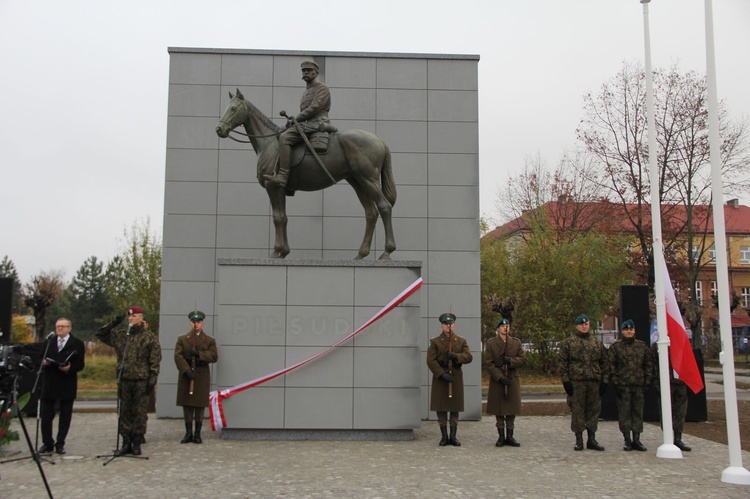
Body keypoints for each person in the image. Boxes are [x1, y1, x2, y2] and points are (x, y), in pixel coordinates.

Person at [97, 306, 160, 456]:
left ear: (141, 318)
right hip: (124, 379)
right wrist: (113, 323)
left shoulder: (149, 337)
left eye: (134, 316)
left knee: (139, 412)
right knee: (124, 412)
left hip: (141, 380)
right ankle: (125, 442)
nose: (131, 318)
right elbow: (100, 334)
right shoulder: (121, 335)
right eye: (129, 316)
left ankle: (137, 442)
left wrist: (152, 380)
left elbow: (155, 360)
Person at [263, 60, 332, 188]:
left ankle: (283, 176)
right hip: (306, 122)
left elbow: (315, 107)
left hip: (318, 122)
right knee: (280, 132)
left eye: (309, 70)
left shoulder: (322, 88)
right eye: (304, 70)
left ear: (316, 72)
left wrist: (297, 118)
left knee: (285, 137)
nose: (306, 72)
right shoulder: (307, 90)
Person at [558, 314, 609, 451]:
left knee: (593, 411)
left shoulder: (597, 343)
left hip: (594, 381)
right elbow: (563, 364)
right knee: (577, 411)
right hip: (576, 382)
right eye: (581, 324)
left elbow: (605, 363)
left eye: (586, 324)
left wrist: (604, 381)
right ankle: (579, 439)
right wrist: (566, 382)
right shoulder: (569, 343)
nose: (584, 326)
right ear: (577, 326)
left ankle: (591, 439)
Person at [38, 317, 85, 455]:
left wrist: (70, 367)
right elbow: (40, 358)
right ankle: (47, 443)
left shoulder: (77, 343)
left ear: (69, 328)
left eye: (63, 326)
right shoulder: (49, 342)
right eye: (58, 326)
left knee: (65, 415)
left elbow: (80, 364)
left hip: (67, 382)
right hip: (50, 382)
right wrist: (44, 362)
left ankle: (60, 443)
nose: (60, 328)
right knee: (46, 415)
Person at [426, 312, 473, 446]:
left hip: (455, 378)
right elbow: (430, 360)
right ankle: (444, 436)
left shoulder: (461, 341)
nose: (449, 326)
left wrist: (456, 357)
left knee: (454, 407)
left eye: (451, 324)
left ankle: (453, 436)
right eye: (446, 324)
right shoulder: (434, 341)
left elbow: (468, 356)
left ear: (454, 324)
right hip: (441, 379)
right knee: (441, 408)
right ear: (442, 326)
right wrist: (441, 373)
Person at [608, 319, 652, 451]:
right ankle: (627, 439)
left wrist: (647, 381)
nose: (629, 331)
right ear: (622, 331)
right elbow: (611, 366)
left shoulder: (642, 346)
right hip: (623, 386)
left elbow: (648, 364)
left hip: (638, 385)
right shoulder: (616, 347)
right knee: (625, 413)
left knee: (638, 412)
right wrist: (616, 383)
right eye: (626, 329)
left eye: (631, 329)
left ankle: (637, 439)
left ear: (634, 331)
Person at [174, 310, 218, 444]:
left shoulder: (209, 340)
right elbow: (178, 356)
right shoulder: (182, 339)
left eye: (198, 322)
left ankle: (197, 433)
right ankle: (188, 433)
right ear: (190, 324)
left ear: (202, 324)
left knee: (199, 405)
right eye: (193, 322)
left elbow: (214, 356)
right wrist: (186, 370)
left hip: (201, 374)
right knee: (187, 404)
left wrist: (200, 354)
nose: (196, 324)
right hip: (187, 374)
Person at [484, 318, 526, 447]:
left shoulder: (516, 343)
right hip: (498, 380)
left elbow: (523, 360)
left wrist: (511, 361)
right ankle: (501, 436)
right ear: (498, 329)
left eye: (507, 326)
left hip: (512, 378)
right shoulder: (491, 343)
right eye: (502, 326)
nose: (505, 328)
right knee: (499, 408)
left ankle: (510, 436)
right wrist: (499, 377)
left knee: (511, 408)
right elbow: (489, 363)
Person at [651, 342, 692, 451]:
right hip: (665, 382)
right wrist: (656, 383)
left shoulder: (681, 341)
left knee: (680, 412)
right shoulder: (658, 345)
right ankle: (668, 438)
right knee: (665, 412)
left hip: (680, 383)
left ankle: (678, 439)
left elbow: (688, 361)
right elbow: (653, 365)